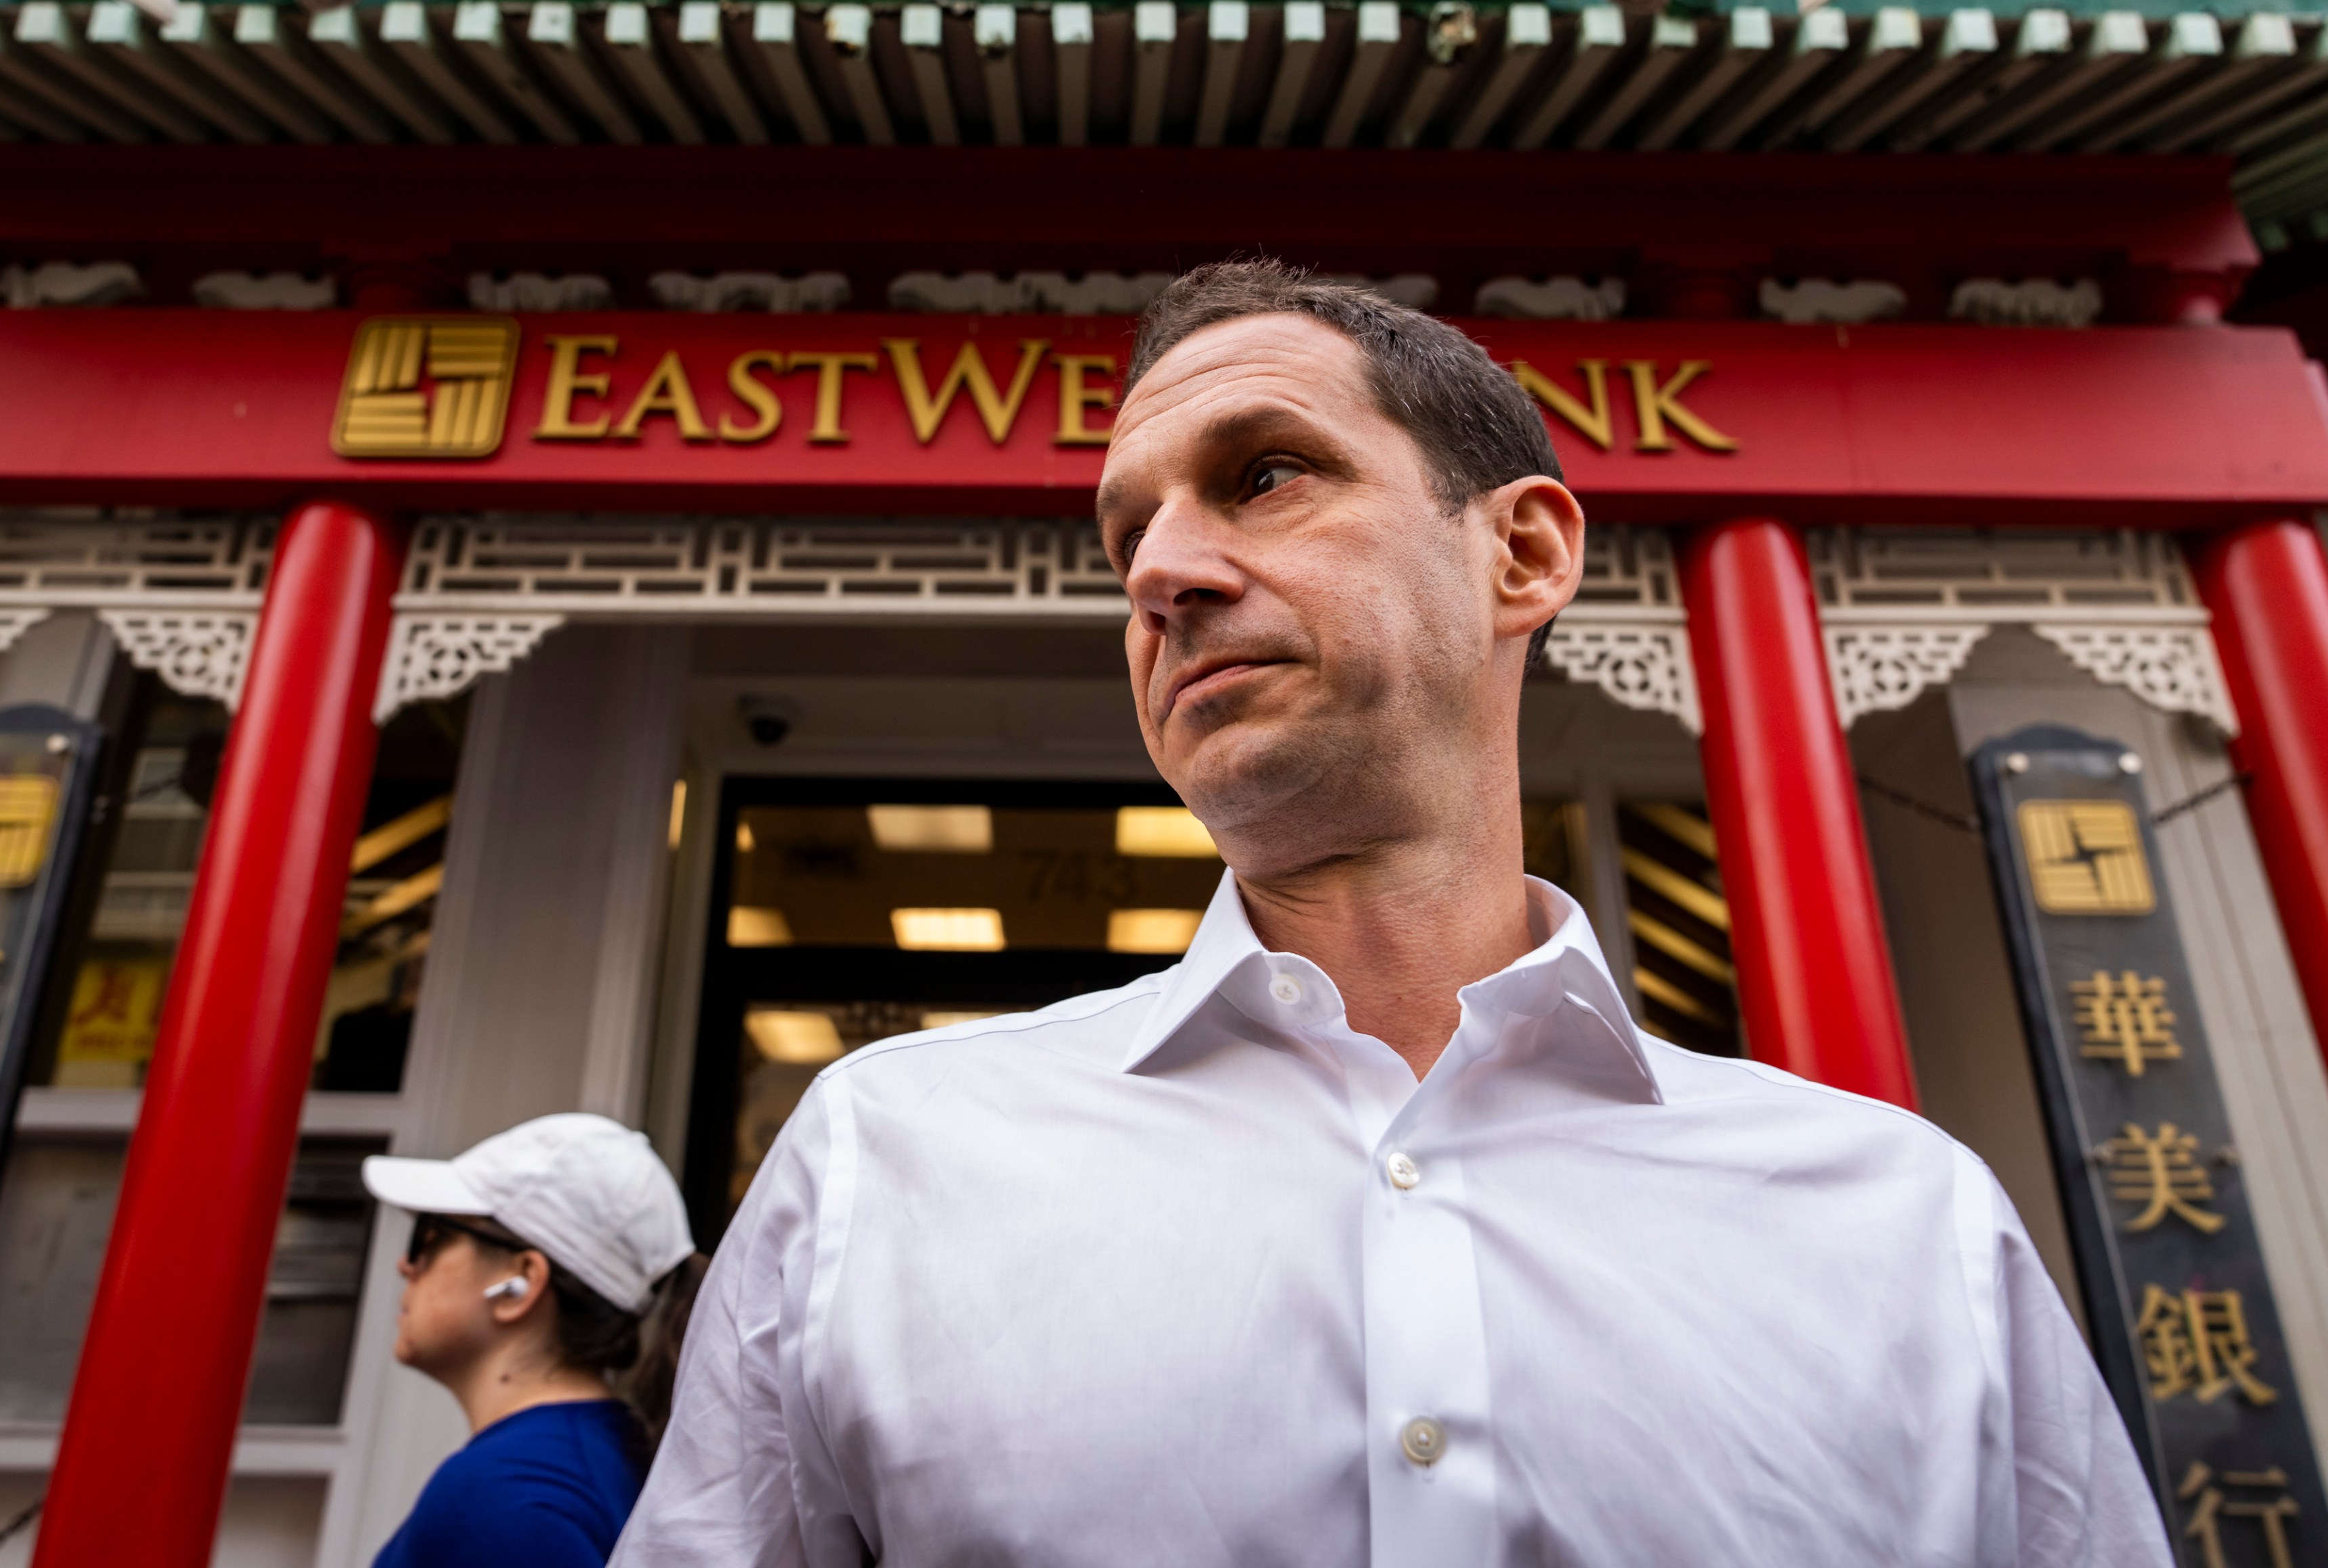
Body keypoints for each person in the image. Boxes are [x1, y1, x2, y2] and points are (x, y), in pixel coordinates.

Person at [616, 261, 2171, 1567]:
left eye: (1263, 473)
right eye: (1123, 536)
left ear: (1526, 549)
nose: (1159, 571)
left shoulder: (1902, 1223)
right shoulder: (885, 1159)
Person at [362, 1113, 703, 1568]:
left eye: (432, 1235)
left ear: (520, 1281)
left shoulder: (506, 1496)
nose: (407, 1265)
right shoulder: (601, 1455)